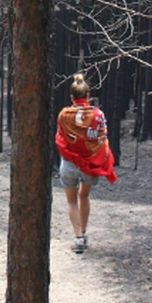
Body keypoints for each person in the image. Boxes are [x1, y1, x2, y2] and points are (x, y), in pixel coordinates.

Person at [55, 73, 117, 254]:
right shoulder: (98, 115)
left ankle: (78, 238)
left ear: (72, 97)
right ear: (88, 96)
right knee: (84, 196)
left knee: (71, 201)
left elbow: (61, 137)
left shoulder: (64, 115)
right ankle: (83, 231)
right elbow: (102, 138)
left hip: (68, 164)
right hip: (90, 165)